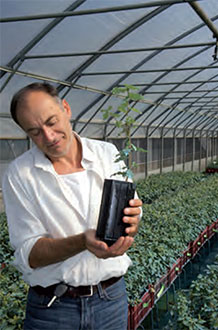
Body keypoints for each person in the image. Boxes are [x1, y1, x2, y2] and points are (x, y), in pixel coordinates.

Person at [2, 82, 142, 330]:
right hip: (53, 309)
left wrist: (132, 220)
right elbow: (30, 254)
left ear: (65, 108)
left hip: (110, 300)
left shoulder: (107, 154)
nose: (49, 136)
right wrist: (82, 242)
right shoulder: (20, 175)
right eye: (34, 131)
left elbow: (131, 211)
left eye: (51, 121)